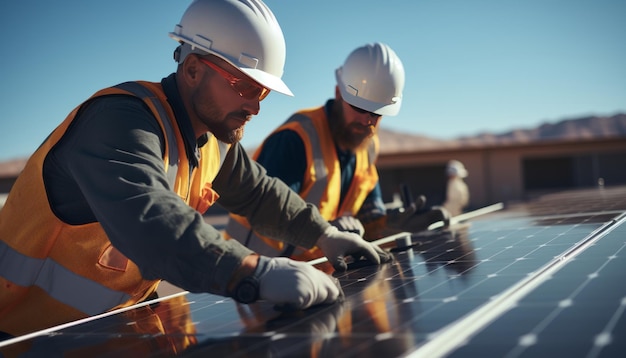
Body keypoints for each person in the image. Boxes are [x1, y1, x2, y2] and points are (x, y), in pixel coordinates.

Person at [0, 0, 390, 338]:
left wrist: (322, 234)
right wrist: (251, 272)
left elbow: (260, 194)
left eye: (263, 92)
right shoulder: (118, 123)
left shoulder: (213, 138)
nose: (256, 107)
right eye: (245, 87)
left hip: (99, 333)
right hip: (20, 335)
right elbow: (151, 223)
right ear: (191, 71)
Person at [226, 43, 449, 262]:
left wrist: (391, 224)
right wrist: (325, 232)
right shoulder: (295, 139)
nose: (367, 121)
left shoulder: (367, 146)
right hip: (252, 272)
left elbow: (367, 216)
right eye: (360, 108)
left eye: (377, 113)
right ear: (338, 93)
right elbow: (269, 213)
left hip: (320, 270)